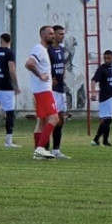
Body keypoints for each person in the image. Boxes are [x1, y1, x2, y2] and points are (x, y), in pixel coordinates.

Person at [25, 25, 60, 161]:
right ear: (42, 35)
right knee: (54, 119)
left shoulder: (43, 50)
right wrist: (40, 75)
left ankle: (37, 152)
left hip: (41, 90)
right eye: (50, 33)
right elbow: (29, 64)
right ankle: (40, 148)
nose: (53, 36)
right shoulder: (39, 49)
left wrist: (49, 78)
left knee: (41, 121)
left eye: (53, 33)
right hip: (43, 91)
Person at [0, 32, 20, 148]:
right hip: (6, 86)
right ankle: (8, 141)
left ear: (1, 39)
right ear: (10, 41)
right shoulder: (9, 53)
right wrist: (16, 85)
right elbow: (12, 70)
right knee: (9, 113)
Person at [90, 50, 112, 147]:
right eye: (105, 58)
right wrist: (93, 93)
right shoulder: (101, 69)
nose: (107, 60)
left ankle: (101, 140)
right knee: (107, 120)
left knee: (108, 120)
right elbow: (93, 80)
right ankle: (99, 140)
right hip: (105, 98)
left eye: (109, 58)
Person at [48, 24, 69, 159]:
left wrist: (63, 76)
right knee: (51, 119)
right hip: (52, 90)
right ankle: (44, 148)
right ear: (54, 34)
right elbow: (43, 66)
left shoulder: (61, 50)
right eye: (60, 34)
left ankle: (56, 150)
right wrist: (49, 79)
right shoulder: (48, 50)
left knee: (61, 119)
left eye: (63, 34)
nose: (62, 36)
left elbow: (63, 65)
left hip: (61, 89)